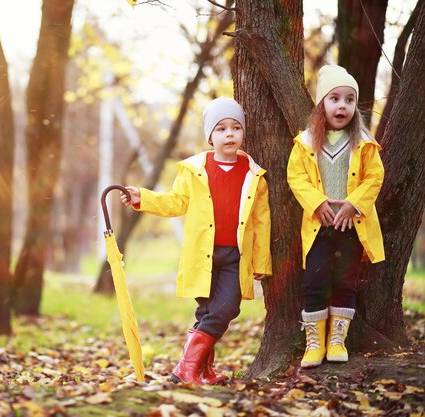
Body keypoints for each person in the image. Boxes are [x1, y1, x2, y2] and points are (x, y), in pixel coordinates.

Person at [120, 97, 272, 384]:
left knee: (227, 307)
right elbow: (175, 202)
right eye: (221, 129)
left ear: (243, 133)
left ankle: (185, 369)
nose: (229, 134)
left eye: (236, 128)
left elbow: (261, 221)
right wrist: (143, 197)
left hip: (235, 257)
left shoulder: (254, 175)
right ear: (210, 136)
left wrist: (261, 261)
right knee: (206, 311)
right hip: (202, 255)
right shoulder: (195, 170)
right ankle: (199, 370)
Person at [287, 65, 385, 368]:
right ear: (321, 105)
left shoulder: (363, 142)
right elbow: (296, 178)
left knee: (346, 281)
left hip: (352, 224)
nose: (342, 105)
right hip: (320, 225)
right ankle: (314, 343)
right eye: (334, 98)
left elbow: (374, 177)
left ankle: (337, 340)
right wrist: (317, 202)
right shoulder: (305, 143)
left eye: (349, 100)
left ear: (355, 107)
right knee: (314, 281)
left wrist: (353, 203)